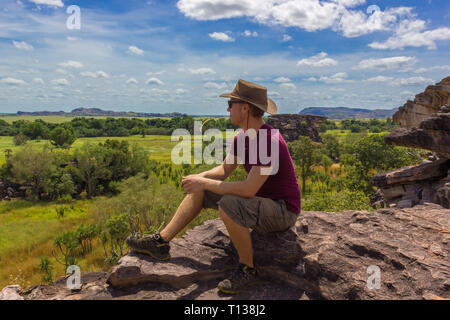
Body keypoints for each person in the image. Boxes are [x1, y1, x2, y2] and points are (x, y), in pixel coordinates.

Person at [126, 79, 301, 294]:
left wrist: (203, 181)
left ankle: (248, 269)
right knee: (202, 188)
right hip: (260, 204)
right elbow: (224, 170)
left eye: (231, 104)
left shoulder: (267, 140)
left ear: (245, 108)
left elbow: (248, 190)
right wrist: (198, 178)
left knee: (229, 203)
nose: (228, 109)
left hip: (282, 210)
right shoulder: (242, 137)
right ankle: (160, 242)